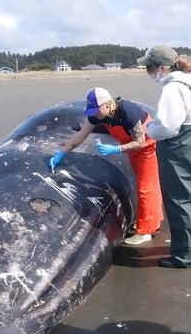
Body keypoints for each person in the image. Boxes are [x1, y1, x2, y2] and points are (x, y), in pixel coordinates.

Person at [49, 87, 164, 245]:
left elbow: (140, 141)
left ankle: (146, 232)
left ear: (108, 104)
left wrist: (116, 149)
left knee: (146, 188)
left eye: (97, 110)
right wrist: (62, 152)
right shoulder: (98, 116)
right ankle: (152, 221)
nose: (95, 114)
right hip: (131, 149)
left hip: (147, 147)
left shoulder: (127, 111)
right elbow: (81, 135)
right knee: (146, 185)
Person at [138, 45, 191, 268]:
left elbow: (167, 128)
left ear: (161, 67)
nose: (149, 72)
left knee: (179, 200)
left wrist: (148, 130)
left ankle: (185, 255)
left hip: (180, 147)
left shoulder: (172, 88)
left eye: (150, 67)